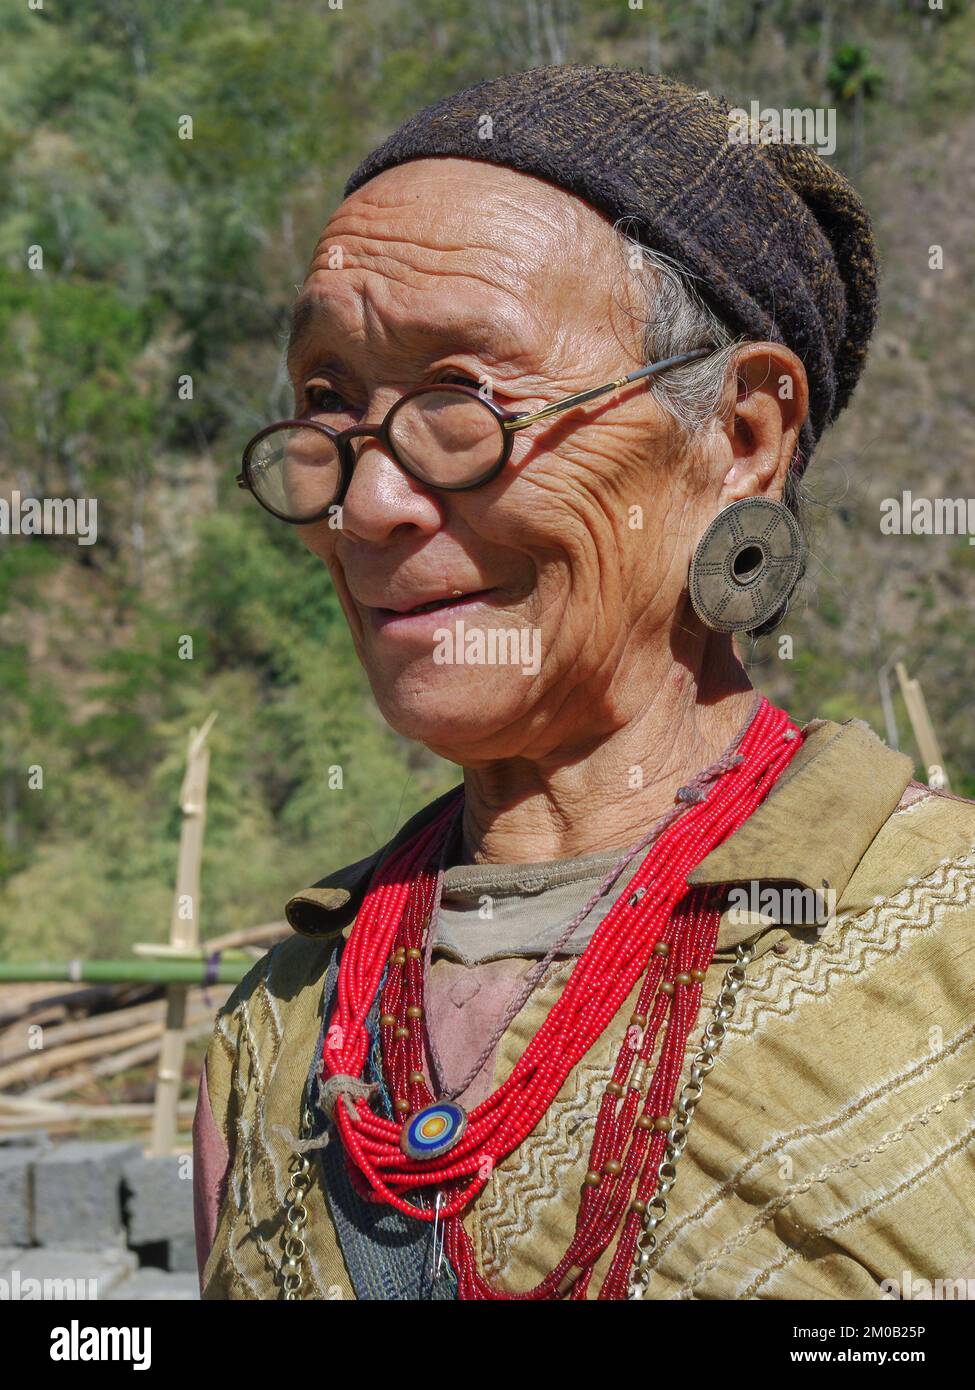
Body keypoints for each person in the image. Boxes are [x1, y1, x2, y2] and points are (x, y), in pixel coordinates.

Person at [193, 65, 975, 1300]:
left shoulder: (945, 946)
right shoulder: (282, 1022)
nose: (371, 499)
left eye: (465, 400)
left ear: (741, 437)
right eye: (327, 402)